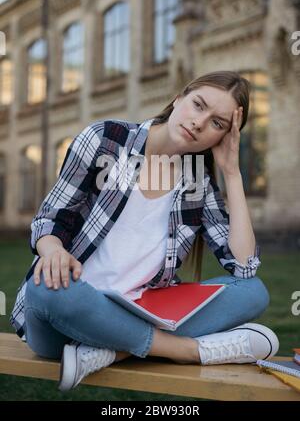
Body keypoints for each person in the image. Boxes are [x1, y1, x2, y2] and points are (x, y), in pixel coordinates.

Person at [10, 71, 279, 392]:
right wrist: (53, 250)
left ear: (223, 138)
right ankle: (188, 351)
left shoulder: (197, 181)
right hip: (71, 310)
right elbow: (50, 219)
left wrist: (232, 174)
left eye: (217, 123)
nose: (199, 122)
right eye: (198, 105)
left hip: (141, 308)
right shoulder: (104, 140)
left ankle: (112, 349)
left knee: (253, 292)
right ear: (179, 99)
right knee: (45, 287)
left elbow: (244, 266)